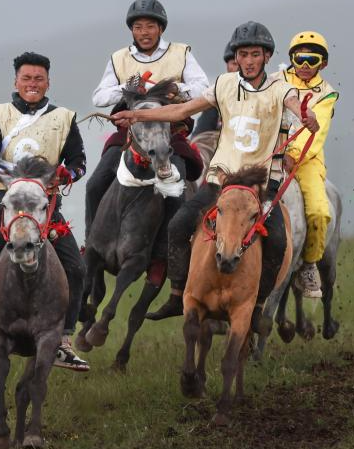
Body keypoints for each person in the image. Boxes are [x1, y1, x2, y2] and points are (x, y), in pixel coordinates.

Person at [112, 21, 320, 320]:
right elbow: (181, 111)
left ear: (266, 57)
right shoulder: (223, 85)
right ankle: (177, 294)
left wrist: (307, 114)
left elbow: (296, 104)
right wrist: (136, 114)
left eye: (255, 55)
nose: (248, 61)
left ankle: (259, 305)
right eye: (243, 54)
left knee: (276, 239)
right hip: (220, 179)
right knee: (179, 224)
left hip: (260, 184)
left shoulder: (281, 88)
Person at [0, 51, 89, 373]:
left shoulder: (64, 117)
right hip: (5, 202)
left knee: (76, 268)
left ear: (48, 82)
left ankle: (63, 339)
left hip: (45, 208)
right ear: (16, 81)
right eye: (26, 78)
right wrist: (17, 178)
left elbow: (79, 163)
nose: (32, 84)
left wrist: (65, 176)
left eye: (39, 79)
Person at [85, 0, 209, 233]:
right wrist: (130, 87)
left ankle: (173, 246)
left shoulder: (181, 52)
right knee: (94, 184)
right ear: (131, 30)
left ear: (161, 28)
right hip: (130, 134)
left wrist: (174, 88)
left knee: (179, 186)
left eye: (150, 26)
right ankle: (91, 243)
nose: (144, 32)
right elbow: (99, 97)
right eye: (138, 27)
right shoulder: (119, 58)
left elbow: (202, 87)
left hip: (171, 132)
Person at [278, 31, 339, 298]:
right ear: (291, 58)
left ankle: (309, 265)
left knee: (318, 211)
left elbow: (317, 131)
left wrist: (292, 155)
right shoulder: (276, 81)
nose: (304, 65)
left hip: (307, 160)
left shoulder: (327, 94)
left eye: (311, 59)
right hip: (268, 151)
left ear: (322, 64)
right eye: (300, 58)